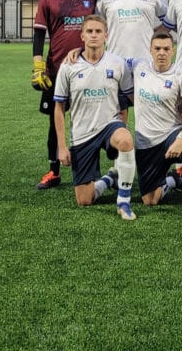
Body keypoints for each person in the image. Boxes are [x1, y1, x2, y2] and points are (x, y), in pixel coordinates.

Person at [53, 16, 137, 220]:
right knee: (85, 200)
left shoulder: (118, 63)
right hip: (82, 134)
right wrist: (62, 147)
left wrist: (124, 125)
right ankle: (110, 178)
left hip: (109, 125)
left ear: (106, 36)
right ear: (82, 36)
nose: (94, 35)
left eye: (98, 31)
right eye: (89, 31)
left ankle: (123, 201)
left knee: (125, 141)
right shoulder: (68, 66)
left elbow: (129, 97)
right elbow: (59, 107)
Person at [130, 32, 182, 222]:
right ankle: (172, 180)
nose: (161, 53)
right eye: (157, 49)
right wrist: (79, 50)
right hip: (146, 144)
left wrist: (180, 139)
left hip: (171, 136)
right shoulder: (138, 66)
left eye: (166, 49)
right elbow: (110, 59)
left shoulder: (181, 75)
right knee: (150, 200)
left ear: (172, 51)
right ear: (150, 50)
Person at [32, 0, 98, 190]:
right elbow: (39, 34)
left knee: (88, 121)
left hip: (85, 69)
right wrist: (38, 63)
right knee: (54, 122)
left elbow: (97, 31)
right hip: (56, 70)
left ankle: (90, 170)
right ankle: (53, 171)